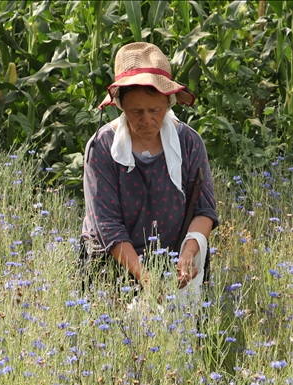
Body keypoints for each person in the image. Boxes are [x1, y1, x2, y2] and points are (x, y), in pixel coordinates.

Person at [81, 42, 217, 294]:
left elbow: (204, 209)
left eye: (155, 110)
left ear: (169, 103)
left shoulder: (188, 142)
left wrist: (187, 255)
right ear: (121, 106)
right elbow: (107, 225)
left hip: (174, 263)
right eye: (136, 111)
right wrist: (145, 278)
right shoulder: (102, 148)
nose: (146, 120)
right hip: (112, 265)